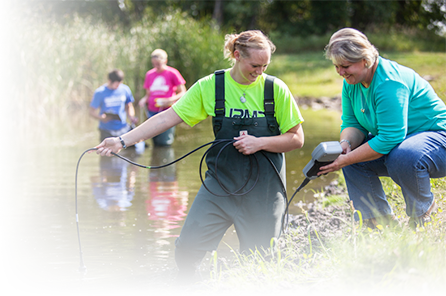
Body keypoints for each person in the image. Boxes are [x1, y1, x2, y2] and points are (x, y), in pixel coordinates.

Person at [94, 30, 304, 282]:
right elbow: (167, 117)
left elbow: (296, 138)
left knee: (260, 261)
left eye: (265, 66)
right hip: (220, 185)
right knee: (187, 248)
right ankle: (187, 284)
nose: (260, 71)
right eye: (255, 65)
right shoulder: (211, 86)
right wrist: (122, 140)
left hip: (265, 191)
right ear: (237, 56)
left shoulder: (275, 89)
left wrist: (259, 143)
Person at [320, 28, 446, 228]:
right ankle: (378, 221)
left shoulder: (389, 83)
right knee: (351, 154)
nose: (341, 72)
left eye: (345, 66)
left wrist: (346, 159)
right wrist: (345, 145)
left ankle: (422, 212)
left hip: (437, 141)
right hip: (404, 141)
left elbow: (390, 138)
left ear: (365, 60)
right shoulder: (352, 82)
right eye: (336, 66)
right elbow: (352, 124)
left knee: (402, 156)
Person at [138, 49, 186, 146]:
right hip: (151, 111)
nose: (156, 67)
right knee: (154, 140)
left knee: (164, 142)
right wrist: (143, 100)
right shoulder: (149, 74)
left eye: (158, 64)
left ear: (165, 61)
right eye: (154, 64)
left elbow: (183, 92)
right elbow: (148, 94)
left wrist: (169, 100)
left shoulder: (173, 73)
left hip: (168, 111)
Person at [89, 69, 138, 142]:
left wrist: (131, 117)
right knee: (107, 152)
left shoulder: (125, 89)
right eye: (116, 84)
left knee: (132, 150)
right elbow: (91, 112)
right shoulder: (100, 92)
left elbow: (129, 106)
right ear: (109, 81)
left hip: (123, 128)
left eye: (120, 83)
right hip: (107, 130)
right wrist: (101, 118)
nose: (118, 86)